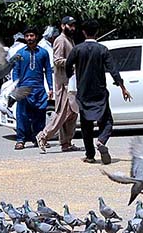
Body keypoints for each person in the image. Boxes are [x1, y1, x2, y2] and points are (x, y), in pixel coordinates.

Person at [65, 19, 132, 165]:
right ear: (97, 32)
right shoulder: (102, 49)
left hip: (83, 92)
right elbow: (113, 70)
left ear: (83, 32)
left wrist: (70, 75)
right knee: (107, 121)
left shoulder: (77, 49)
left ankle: (90, 155)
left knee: (86, 124)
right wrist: (122, 87)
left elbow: (68, 65)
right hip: (100, 92)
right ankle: (101, 140)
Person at [37, 17, 80, 153]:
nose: (72, 28)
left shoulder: (70, 40)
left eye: (74, 26)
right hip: (63, 84)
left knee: (72, 113)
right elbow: (57, 60)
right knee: (62, 114)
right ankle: (43, 135)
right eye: (70, 25)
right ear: (63, 26)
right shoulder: (60, 40)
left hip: (71, 83)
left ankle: (66, 143)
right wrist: (73, 61)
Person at [12, 26, 53, 150]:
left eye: (32, 35)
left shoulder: (43, 53)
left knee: (39, 115)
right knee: (22, 115)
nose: (29, 38)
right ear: (25, 38)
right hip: (23, 89)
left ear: (36, 37)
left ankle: (39, 138)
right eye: (27, 36)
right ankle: (20, 140)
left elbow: (48, 71)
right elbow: (15, 71)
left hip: (39, 89)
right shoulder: (20, 53)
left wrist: (50, 87)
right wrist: (15, 86)